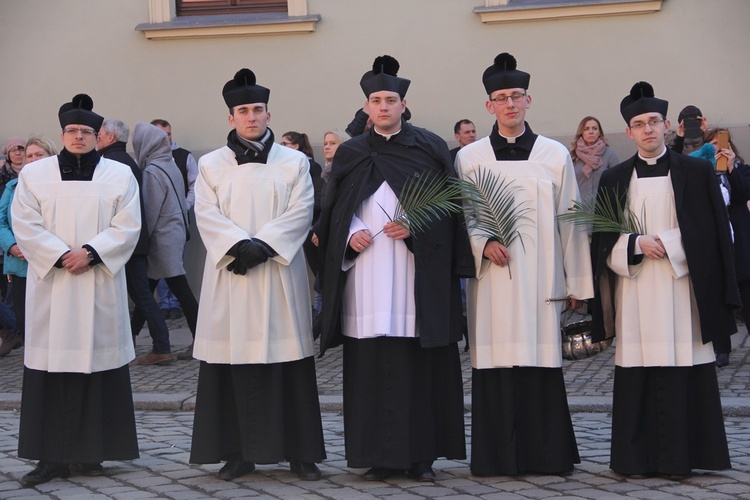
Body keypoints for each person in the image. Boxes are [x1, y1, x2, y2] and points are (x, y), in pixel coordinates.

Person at [317, 55, 473, 482]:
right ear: (366, 107)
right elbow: (330, 214)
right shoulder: (350, 153)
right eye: (375, 100)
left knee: (418, 367)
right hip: (366, 277)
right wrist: (350, 233)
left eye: (391, 100)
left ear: (404, 104)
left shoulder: (428, 147)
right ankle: (377, 456)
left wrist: (417, 225)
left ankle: (421, 456)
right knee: (369, 368)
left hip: (412, 277)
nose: (383, 107)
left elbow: (450, 208)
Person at [455, 52, 594, 476]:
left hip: (542, 278)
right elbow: (464, 214)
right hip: (494, 279)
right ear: (489, 106)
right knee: (495, 362)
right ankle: (496, 457)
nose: (510, 104)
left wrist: (578, 284)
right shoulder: (471, 157)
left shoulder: (554, 154)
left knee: (541, 361)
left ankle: (546, 455)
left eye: (517, 96)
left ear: (528, 100)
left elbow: (571, 219)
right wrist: (483, 241)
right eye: (501, 97)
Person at [590, 82, 738, 478]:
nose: (648, 129)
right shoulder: (615, 178)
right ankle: (635, 460)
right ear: (630, 132)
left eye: (654, 121)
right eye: (638, 124)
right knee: (639, 366)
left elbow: (713, 230)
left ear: (668, 125)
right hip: (635, 289)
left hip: (682, 289)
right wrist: (637, 243)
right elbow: (603, 239)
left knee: (685, 362)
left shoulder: (697, 170)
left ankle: (686, 458)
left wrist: (670, 243)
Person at [189, 68, 325, 481]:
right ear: (231, 117)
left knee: (289, 360)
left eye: (258, 109)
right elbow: (205, 213)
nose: (251, 117)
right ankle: (235, 452)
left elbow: (303, 209)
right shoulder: (210, 164)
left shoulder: (295, 161)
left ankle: (300, 452)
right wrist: (238, 247)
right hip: (231, 275)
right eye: (243, 110)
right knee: (231, 361)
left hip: (279, 275)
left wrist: (264, 245)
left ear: (269, 114)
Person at [13, 94, 141, 487]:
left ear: (98, 136)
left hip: (98, 284)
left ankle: (92, 454)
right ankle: (51, 457)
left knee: (98, 368)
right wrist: (59, 255)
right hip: (53, 288)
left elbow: (129, 225)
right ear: (62, 134)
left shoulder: (119, 176)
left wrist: (91, 252)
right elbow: (25, 223)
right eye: (72, 131)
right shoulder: (34, 176)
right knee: (51, 371)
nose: (79, 137)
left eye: (87, 131)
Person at [97, 119, 171, 362]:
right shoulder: (125, 161)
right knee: (140, 294)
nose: (96, 138)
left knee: (141, 295)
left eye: (99, 134)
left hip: (126, 241)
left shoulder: (111, 163)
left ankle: (161, 347)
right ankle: (140, 341)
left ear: (110, 137)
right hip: (133, 241)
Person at [131, 121, 200, 365]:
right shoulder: (169, 163)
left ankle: (197, 342)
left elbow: (150, 209)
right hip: (175, 233)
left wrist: (140, 240)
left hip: (161, 238)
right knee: (146, 291)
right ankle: (131, 341)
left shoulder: (152, 170)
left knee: (170, 289)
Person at [0, 136, 55, 357]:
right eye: (29, 155)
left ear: (51, 157)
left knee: (49, 318)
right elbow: (1, 220)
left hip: (49, 263)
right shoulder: (13, 187)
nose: (32, 160)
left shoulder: (60, 187)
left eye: (38, 155)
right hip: (20, 263)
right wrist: (11, 246)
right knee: (25, 320)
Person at [704, 127, 750, 367]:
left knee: (747, 293)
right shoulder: (701, 174)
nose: (718, 147)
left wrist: (731, 169)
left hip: (741, 243)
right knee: (719, 296)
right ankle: (722, 349)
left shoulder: (744, 170)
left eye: (721, 143)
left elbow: (744, 193)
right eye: (711, 144)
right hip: (716, 243)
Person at [149, 119, 198, 322]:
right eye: (162, 134)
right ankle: (165, 304)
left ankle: (174, 305)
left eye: (168, 133)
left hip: (178, 220)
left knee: (174, 266)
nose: (167, 138)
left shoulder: (183, 156)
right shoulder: (149, 159)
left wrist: (184, 206)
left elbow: (195, 185)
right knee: (159, 270)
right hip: (158, 225)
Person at [570, 116, 619, 204]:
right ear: (581, 132)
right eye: (586, 129)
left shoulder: (609, 153)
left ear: (599, 132)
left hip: (602, 208)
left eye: (595, 128)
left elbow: (617, 181)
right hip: (579, 208)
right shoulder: (572, 155)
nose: (591, 132)